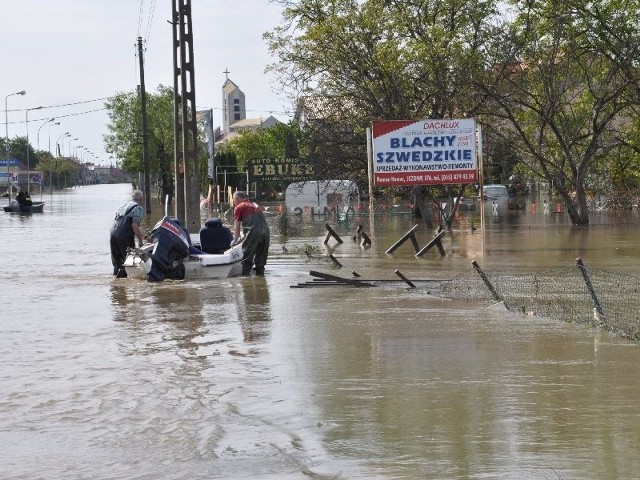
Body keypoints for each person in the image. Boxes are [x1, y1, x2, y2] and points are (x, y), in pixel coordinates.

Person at [232, 191, 270, 276]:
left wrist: (235, 240)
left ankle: (245, 280)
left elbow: (236, 226)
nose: (233, 202)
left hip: (253, 232)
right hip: (266, 232)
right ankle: (261, 278)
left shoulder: (239, 207)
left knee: (247, 257)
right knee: (261, 259)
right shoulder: (255, 205)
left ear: (236, 199)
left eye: (233, 200)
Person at [110, 189, 145, 278]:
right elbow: (134, 226)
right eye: (143, 199)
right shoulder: (138, 207)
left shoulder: (124, 205)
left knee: (118, 264)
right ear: (141, 198)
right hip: (124, 235)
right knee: (129, 262)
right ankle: (126, 286)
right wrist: (141, 241)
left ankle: (117, 288)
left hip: (113, 233)